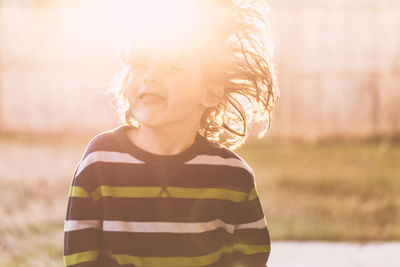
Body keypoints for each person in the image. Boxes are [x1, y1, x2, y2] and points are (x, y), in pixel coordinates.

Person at [63, 0, 279, 266]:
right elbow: (79, 255)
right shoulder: (100, 160)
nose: (150, 77)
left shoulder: (234, 176)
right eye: (140, 65)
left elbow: (252, 258)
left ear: (210, 92)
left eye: (171, 67)